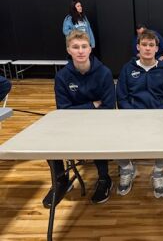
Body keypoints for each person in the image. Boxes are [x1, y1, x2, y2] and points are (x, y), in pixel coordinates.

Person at [42, 30, 115, 209]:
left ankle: (104, 178)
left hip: (99, 123)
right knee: (47, 140)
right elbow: (63, 111)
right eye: (76, 47)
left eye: (84, 47)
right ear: (69, 50)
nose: (80, 51)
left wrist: (93, 109)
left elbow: (108, 107)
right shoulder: (62, 77)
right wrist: (92, 105)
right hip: (72, 124)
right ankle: (61, 181)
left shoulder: (104, 73)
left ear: (90, 49)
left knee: (98, 137)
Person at [116, 30, 163, 198]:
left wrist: (158, 114)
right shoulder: (128, 69)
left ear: (157, 49)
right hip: (132, 116)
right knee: (113, 137)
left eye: (151, 45)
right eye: (144, 45)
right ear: (138, 47)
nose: (147, 48)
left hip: (158, 117)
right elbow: (121, 96)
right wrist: (133, 114)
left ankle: (158, 172)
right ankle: (127, 168)